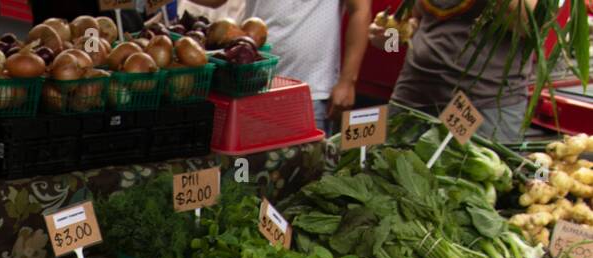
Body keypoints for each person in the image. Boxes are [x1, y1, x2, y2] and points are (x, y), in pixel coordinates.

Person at [184, 1, 373, 133]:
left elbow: (360, 10)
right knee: (250, 177)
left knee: (306, 179)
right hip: (253, 85)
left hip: (310, 91)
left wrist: (348, 81)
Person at [372, 0, 540, 142]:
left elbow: (529, 23)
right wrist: (390, 39)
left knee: (468, 176)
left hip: (479, 105)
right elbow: (417, 20)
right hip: (412, 95)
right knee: (380, 173)